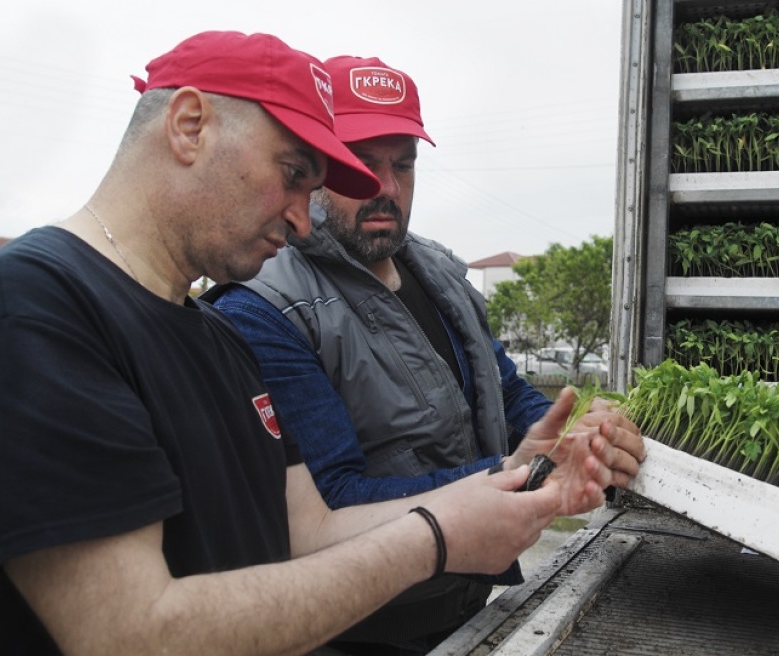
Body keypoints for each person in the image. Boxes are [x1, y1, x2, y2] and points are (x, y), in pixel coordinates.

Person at [0, 32, 638, 656]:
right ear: (189, 125)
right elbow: (129, 632)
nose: (300, 218)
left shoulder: (216, 337)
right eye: (293, 175)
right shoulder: (24, 312)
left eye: (316, 185)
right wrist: (437, 537)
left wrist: (511, 479)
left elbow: (311, 528)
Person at [206, 55, 645, 654]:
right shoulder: (266, 307)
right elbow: (329, 501)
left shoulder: (438, 272)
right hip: (353, 631)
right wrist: (513, 475)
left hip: (466, 604)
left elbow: (509, 394)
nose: (386, 188)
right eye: (361, 164)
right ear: (313, 165)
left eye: (404, 165)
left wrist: (584, 434)